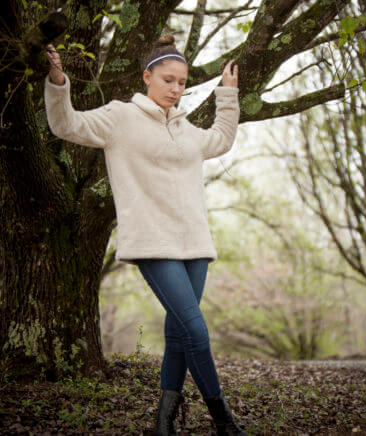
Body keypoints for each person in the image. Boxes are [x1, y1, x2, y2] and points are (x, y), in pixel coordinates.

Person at [44, 34, 246, 436]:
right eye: (168, 80)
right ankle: (223, 419)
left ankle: (163, 422)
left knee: (178, 334)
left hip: (195, 245)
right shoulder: (120, 117)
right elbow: (65, 124)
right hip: (153, 242)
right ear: (147, 77)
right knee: (196, 329)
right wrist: (57, 81)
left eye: (182, 83)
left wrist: (227, 95)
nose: (176, 89)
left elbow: (221, 139)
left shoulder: (187, 130)